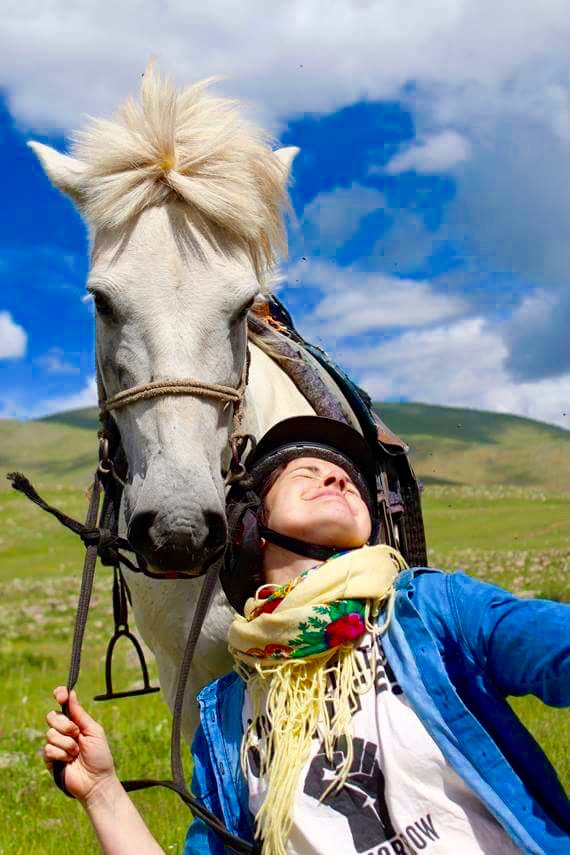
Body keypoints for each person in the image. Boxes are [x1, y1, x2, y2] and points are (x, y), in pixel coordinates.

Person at [43, 416, 570, 855]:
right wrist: (103, 792)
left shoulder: (432, 613)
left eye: (349, 481)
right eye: (308, 472)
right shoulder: (226, 715)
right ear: (252, 525)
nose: (337, 480)